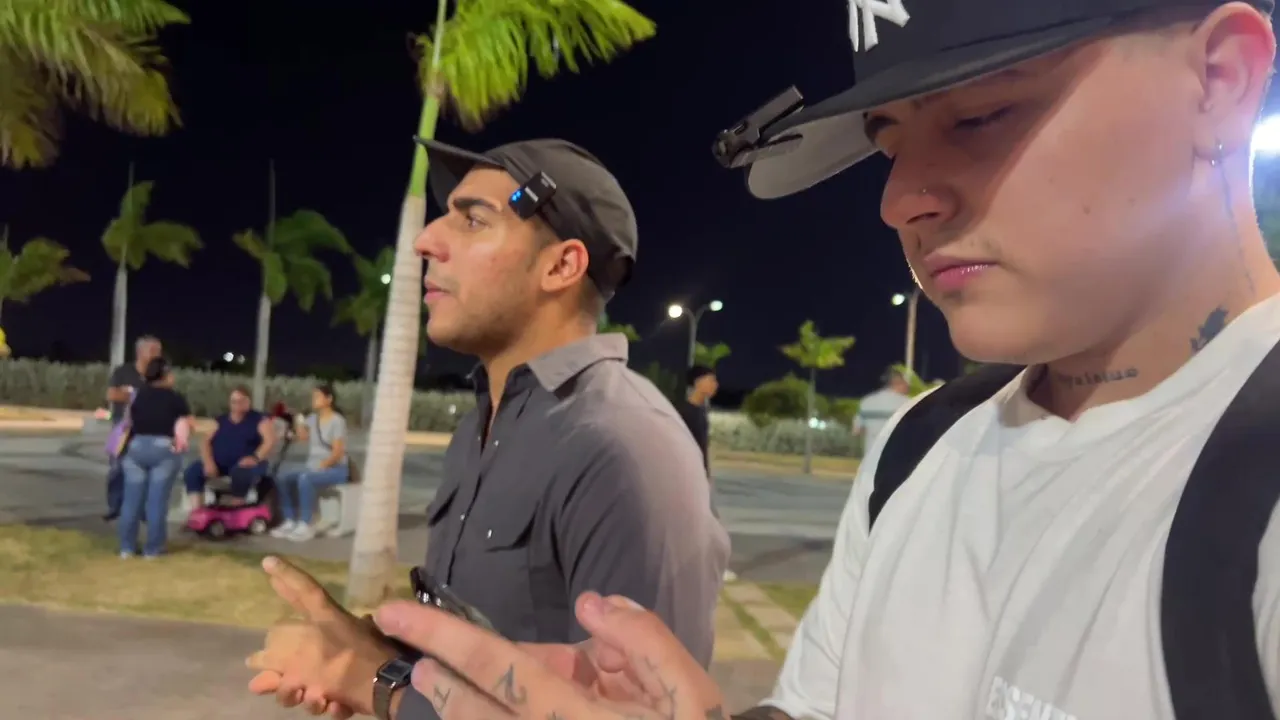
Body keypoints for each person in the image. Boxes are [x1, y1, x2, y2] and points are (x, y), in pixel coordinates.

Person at [298, 1, 1280, 718]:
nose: (901, 199)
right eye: (888, 142)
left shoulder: (1254, 493)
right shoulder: (919, 449)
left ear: (1220, 80)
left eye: (982, 116)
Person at [245, 137, 729, 719]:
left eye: (474, 220)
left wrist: (376, 682)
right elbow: (488, 652)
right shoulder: (481, 425)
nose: (426, 240)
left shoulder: (623, 447)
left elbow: (639, 714)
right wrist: (380, 652)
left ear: (561, 266)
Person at [118, 356, 192, 558]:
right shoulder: (175, 398)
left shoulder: (138, 396)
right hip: (163, 448)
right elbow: (188, 424)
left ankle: (126, 548)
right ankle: (153, 548)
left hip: (136, 447)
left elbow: (128, 422)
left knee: (131, 501)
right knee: (156, 501)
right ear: (165, 374)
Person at [270, 383, 350, 541]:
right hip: (313, 467)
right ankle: (289, 520)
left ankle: (306, 523)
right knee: (282, 477)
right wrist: (299, 420)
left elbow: (338, 452)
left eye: (317, 396)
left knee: (305, 479)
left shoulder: (337, 420)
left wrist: (323, 465)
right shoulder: (313, 419)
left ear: (329, 399)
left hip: (336, 469)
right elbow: (303, 437)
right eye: (313, 397)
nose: (313, 400)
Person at [182, 385, 276, 511]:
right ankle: (197, 511)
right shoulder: (219, 421)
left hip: (247, 464)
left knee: (240, 473)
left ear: (248, 402)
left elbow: (269, 441)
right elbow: (204, 442)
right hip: (220, 464)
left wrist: (255, 457)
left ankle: (235, 510)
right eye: (234, 402)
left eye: (241, 401)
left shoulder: (260, 420)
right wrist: (208, 462)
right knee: (192, 471)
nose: (237, 405)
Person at [103, 335, 161, 521]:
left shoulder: (159, 374)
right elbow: (112, 395)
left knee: (146, 469)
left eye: (159, 351)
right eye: (153, 351)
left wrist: (132, 394)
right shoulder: (123, 372)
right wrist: (136, 395)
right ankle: (115, 506)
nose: (157, 355)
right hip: (123, 427)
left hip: (148, 428)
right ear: (140, 352)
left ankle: (142, 510)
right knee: (117, 468)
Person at [852, 368, 911, 449]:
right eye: (905, 382)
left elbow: (856, 430)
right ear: (897, 383)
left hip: (871, 453)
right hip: (898, 453)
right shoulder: (908, 403)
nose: (908, 386)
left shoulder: (867, 401)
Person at [676, 365, 719, 472]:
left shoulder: (702, 410)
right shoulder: (684, 412)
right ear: (698, 382)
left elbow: (702, 446)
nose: (715, 385)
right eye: (711, 380)